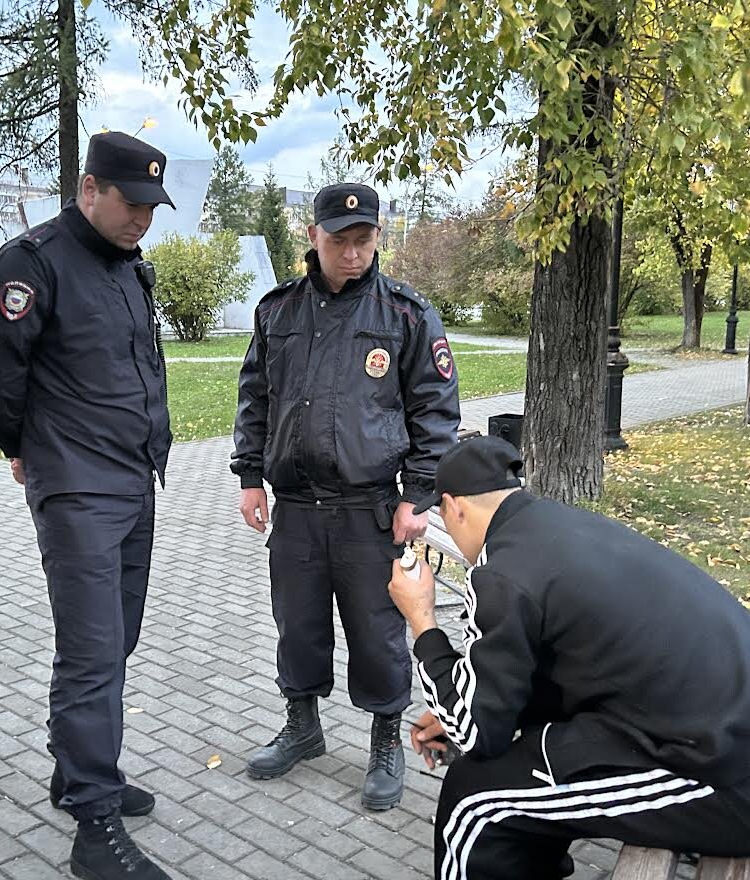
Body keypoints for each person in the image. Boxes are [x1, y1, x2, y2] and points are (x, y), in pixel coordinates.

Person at [387, 435, 750, 880]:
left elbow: (476, 734)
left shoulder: (501, 574)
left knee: (475, 801)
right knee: (525, 762)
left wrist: (422, 620)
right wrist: (466, 707)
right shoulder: (559, 526)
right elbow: (531, 680)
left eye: (440, 511)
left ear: (455, 507)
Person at [0, 131, 173, 880]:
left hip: (132, 480)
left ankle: (74, 770)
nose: (143, 217)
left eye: (153, 204)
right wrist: (25, 445)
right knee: (91, 655)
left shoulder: (127, 267)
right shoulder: (34, 260)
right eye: (131, 201)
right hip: (78, 487)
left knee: (113, 641)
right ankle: (93, 823)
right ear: (89, 189)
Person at [231, 182, 461, 810]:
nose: (352, 253)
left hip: (371, 510)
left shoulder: (406, 316)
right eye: (339, 241)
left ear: (378, 238)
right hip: (298, 508)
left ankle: (387, 739)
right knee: (296, 627)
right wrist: (250, 475)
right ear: (313, 238)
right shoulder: (277, 311)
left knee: (378, 632)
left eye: (364, 240)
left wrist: (418, 495)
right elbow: (257, 396)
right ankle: (303, 726)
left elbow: (435, 414)